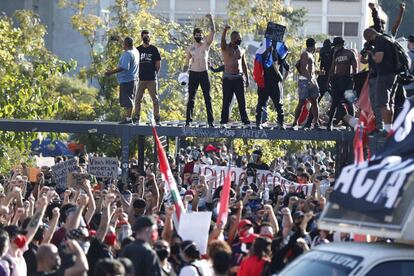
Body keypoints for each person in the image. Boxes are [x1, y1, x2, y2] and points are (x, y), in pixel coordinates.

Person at [184, 14, 216, 128]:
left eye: (200, 35)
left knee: (207, 97)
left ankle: (211, 121)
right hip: (193, 73)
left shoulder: (206, 44)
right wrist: (183, 74)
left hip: (204, 73)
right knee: (191, 97)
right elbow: (186, 62)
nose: (199, 36)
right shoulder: (190, 48)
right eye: (196, 35)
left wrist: (210, 19)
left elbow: (213, 31)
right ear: (194, 36)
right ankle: (188, 120)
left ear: (202, 35)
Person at [363, 28, 398, 132]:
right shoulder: (387, 38)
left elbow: (378, 59)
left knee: (382, 103)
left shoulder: (379, 41)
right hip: (393, 74)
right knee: (390, 103)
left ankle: (386, 130)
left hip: (384, 75)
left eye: (368, 40)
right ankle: (389, 128)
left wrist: (371, 53)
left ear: (369, 36)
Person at [220, 25, 250, 127]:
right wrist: (225, 30)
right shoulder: (226, 47)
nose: (239, 39)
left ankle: (245, 119)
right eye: (237, 38)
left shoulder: (241, 50)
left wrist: (247, 78)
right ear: (232, 39)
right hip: (228, 78)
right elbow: (222, 42)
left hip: (238, 78)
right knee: (226, 100)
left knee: (242, 100)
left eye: (240, 38)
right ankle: (224, 120)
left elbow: (244, 65)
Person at [105, 36, 140, 124]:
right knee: (129, 99)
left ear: (126, 45)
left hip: (127, 80)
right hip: (133, 79)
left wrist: (110, 72)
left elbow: (124, 67)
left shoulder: (128, 54)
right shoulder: (135, 51)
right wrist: (119, 39)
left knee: (128, 100)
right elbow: (125, 43)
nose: (122, 45)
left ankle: (128, 119)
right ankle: (128, 118)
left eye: (123, 44)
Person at [254, 39, 286, 129]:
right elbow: (261, 61)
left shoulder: (277, 54)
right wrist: (268, 49)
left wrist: (279, 47)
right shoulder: (262, 55)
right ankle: (258, 123)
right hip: (264, 83)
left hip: (275, 83)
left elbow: (283, 60)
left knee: (278, 104)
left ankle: (281, 123)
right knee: (260, 103)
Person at [326, 37, 357, 131]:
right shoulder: (335, 54)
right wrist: (328, 81)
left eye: (336, 46)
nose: (335, 47)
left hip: (347, 80)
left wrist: (354, 79)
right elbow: (332, 68)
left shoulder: (350, 53)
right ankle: (329, 124)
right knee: (334, 102)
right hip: (337, 81)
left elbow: (355, 68)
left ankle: (351, 124)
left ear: (340, 45)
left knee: (350, 102)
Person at [291, 38, 321, 130]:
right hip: (305, 81)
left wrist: (318, 73)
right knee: (302, 102)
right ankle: (295, 122)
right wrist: (310, 80)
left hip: (311, 79)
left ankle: (316, 122)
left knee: (314, 101)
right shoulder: (305, 54)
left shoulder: (311, 55)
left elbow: (310, 69)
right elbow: (304, 69)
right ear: (313, 45)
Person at [134, 30, 162, 124]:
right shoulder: (138, 50)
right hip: (141, 79)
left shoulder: (154, 49)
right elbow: (134, 63)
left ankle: (157, 118)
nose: (147, 38)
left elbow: (158, 64)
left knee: (155, 99)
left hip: (151, 79)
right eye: (145, 36)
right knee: (138, 99)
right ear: (142, 37)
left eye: (148, 36)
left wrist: (155, 74)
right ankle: (137, 116)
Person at [305, 39, 333, 128]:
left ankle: (309, 122)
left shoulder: (322, 51)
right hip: (330, 79)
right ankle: (330, 123)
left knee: (315, 102)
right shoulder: (332, 52)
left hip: (322, 79)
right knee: (337, 102)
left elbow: (317, 49)